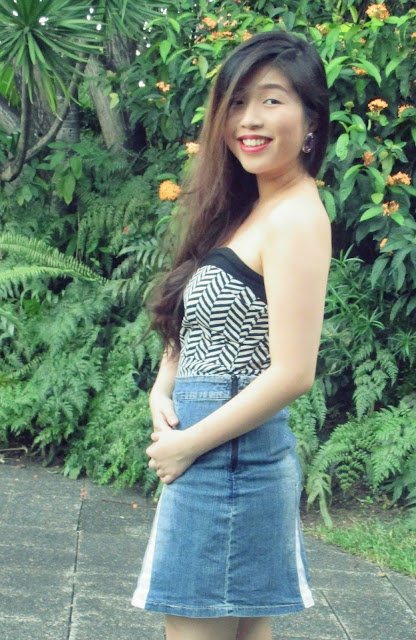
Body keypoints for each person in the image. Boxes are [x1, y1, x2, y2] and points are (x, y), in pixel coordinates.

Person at [132, 30, 331, 640]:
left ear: (311, 120)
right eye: (237, 102)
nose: (249, 119)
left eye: (271, 100)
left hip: (227, 463)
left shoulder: (295, 218)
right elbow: (203, 316)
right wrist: (164, 385)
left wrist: (188, 445)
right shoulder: (250, 206)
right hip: (223, 457)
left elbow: (293, 373)